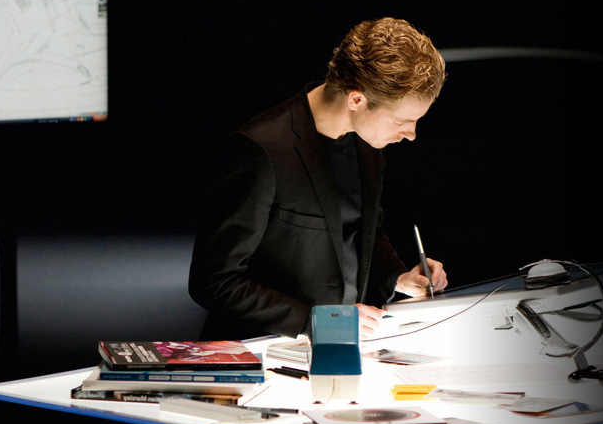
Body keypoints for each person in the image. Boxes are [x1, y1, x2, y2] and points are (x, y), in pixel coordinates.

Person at [188, 17, 448, 342]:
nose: (411, 135)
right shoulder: (261, 151)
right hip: (261, 349)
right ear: (357, 100)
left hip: (338, 345)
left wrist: (398, 277)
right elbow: (214, 281)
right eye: (401, 121)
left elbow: (361, 231)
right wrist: (315, 321)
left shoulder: (368, 142)